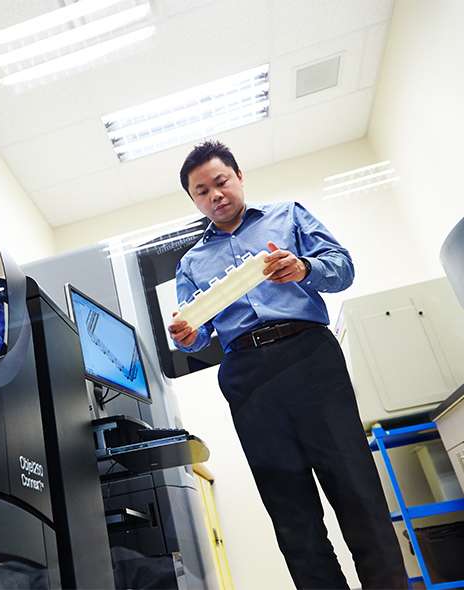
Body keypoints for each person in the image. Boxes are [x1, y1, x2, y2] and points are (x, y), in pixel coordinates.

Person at [168, 140, 407, 589]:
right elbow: (197, 330)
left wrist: (302, 268)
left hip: (310, 358)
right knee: (290, 512)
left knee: (356, 491)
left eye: (220, 182)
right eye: (202, 191)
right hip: (246, 376)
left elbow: (343, 268)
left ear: (238, 177)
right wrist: (188, 334)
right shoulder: (191, 262)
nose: (215, 195)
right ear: (194, 200)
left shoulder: (288, 215)